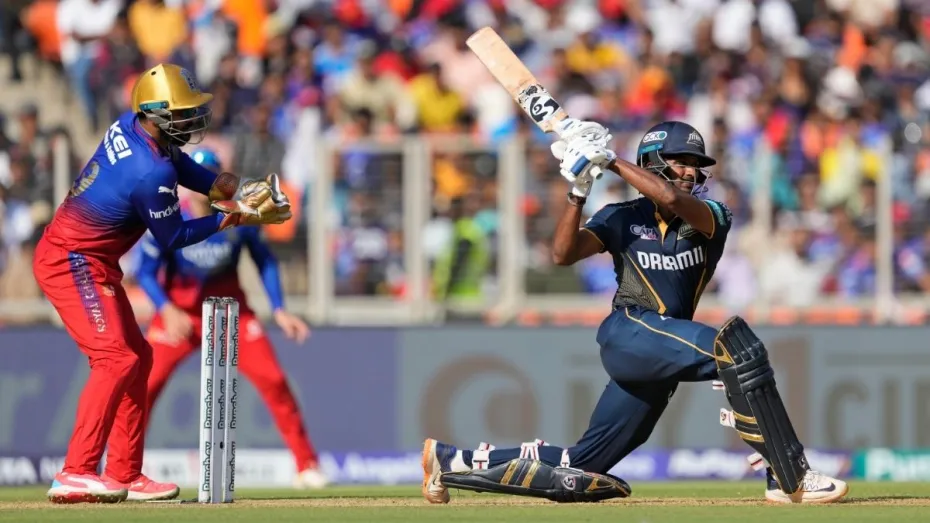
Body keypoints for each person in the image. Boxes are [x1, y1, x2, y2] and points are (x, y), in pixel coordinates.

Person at [421, 118, 849, 504]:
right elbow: (562, 254)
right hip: (629, 330)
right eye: (680, 161)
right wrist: (578, 191)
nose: (690, 171)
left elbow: (671, 198)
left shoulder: (712, 215)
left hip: (662, 349)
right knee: (738, 350)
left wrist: (609, 159)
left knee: (580, 465)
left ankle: (451, 460)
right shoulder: (620, 217)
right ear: (653, 161)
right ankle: (790, 475)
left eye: (695, 164)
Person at [33, 63, 292, 504]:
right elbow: (174, 237)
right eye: (182, 113)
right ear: (154, 113)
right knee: (115, 359)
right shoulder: (149, 172)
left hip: (92, 261)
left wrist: (235, 188)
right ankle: (75, 471)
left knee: (138, 357)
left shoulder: (135, 128)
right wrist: (235, 216)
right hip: (70, 262)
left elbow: (182, 165)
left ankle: (125, 472)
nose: (192, 119)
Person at [137, 148, 329, 489]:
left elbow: (265, 261)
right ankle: (123, 468)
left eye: (210, 177)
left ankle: (306, 465)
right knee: (143, 387)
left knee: (273, 380)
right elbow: (145, 273)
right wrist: (166, 309)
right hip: (180, 316)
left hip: (230, 315)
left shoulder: (239, 219)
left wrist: (279, 309)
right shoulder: (167, 217)